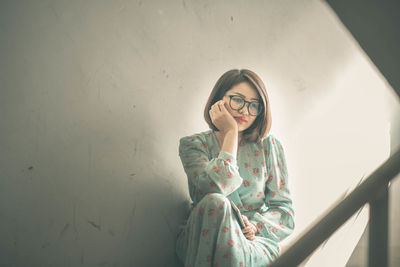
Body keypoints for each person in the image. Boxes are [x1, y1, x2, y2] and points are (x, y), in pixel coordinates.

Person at [175, 69, 295, 267]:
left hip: (251, 241)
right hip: (203, 231)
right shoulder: (193, 145)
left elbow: (284, 211)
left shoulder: (269, 146)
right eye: (237, 100)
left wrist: (255, 226)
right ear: (218, 101)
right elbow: (215, 188)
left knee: (234, 241)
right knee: (215, 202)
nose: (245, 111)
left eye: (254, 105)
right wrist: (230, 133)